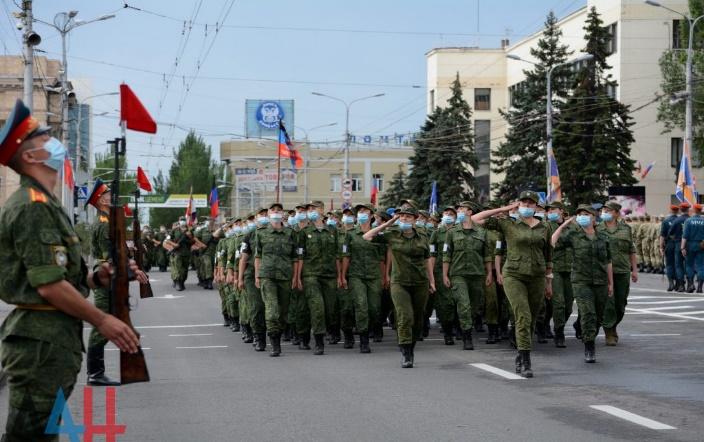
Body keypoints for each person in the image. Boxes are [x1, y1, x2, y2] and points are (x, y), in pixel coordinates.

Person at [0, 99, 143, 441]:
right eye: (45, 139)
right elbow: (48, 286)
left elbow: (59, 276)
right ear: (31, 157)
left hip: (51, 338)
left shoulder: (47, 205)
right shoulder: (31, 207)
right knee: (28, 436)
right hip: (39, 340)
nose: (55, 142)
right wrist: (103, 319)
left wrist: (96, 278)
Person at [472, 191, 552, 378]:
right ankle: (525, 360)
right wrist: (504, 209)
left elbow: (548, 255)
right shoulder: (507, 223)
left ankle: (521, 353)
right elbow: (475, 219)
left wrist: (549, 281)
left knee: (532, 317)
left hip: (537, 276)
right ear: (518, 205)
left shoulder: (544, 227)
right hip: (514, 275)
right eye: (523, 202)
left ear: (536, 207)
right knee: (522, 315)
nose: (526, 206)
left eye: (530, 203)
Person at [363, 207, 435, 368]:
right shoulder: (392, 234)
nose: (404, 219)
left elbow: (427, 259)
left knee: (418, 319)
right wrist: (390, 222)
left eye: (408, 217)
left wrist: (432, 281)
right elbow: (367, 236)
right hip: (399, 282)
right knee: (404, 316)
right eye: (401, 216)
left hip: (420, 282)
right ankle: (406, 352)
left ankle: (411, 346)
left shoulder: (423, 236)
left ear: (415, 219)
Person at [552, 204, 613, 363]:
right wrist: (564, 224)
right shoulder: (573, 235)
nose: (582, 217)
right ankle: (589, 345)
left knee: (599, 316)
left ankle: (589, 335)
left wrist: (610, 283)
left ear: (594, 217)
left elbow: (608, 262)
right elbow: (553, 242)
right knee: (588, 313)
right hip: (581, 280)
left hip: (600, 281)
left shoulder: (603, 237)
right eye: (579, 214)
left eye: (586, 214)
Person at [84, 179, 122, 386]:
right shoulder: (104, 224)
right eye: (107, 194)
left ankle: (95, 372)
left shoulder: (106, 221)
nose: (111, 196)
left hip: (105, 273)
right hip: (106, 276)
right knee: (102, 322)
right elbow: (109, 257)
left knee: (108, 319)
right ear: (100, 200)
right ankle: (95, 373)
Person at [442, 201, 493, 350]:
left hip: (477, 274)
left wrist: (489, 273)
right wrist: (445, 274)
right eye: (458, 209)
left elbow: (487, 255)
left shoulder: (482, 232)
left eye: (462, 209)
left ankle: (464, 325)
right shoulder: (451, 232)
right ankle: (467, 336)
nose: (459, 211)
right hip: (458, 274)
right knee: (463, 305)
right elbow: (446, 255)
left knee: (474, 307)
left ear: (470, 212)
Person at [296, 201, 340, 355]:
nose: (311, 211)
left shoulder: (332, 230)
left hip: (329, 275)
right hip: (310, 274)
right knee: (317, 307)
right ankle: (318, 341)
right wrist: (298, 277)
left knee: (330, 309)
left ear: (322, 210)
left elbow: (337, 255)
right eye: (310, 209)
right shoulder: (304, 231)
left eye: (314, 209)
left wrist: (340, 276)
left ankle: (324, 332)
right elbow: (300, 256)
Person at [254, 203, 298, 357]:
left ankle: (278, 334)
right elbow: (258, 256)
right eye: (273, 210)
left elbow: (295, 258)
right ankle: (274, 343)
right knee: (272, 310)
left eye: (279, 210)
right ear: (268, 213)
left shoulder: (290, 233)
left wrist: (296, 277)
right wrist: (257, 275)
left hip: (285, 276)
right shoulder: (261, 233)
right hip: (267, 276)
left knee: (283, 312)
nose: (276, 212)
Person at [341, 203, 385, 353]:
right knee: (361, 305)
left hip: (374, 276)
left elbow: (382, 259)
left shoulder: (378, 235)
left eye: (365, 211)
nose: (361, 214)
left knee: (374, 309)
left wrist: (385, 276)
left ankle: (368, 330)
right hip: (356, 275)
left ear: (372, 215)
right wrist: (342, 276)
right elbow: (346, 256)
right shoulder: (351, 234)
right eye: (359, 211)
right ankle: (364, 341)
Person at [598, 201, 637, 346]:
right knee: (609, 303)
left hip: (622, 270)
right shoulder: (598, 228)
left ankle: (613, 326)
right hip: (603, 271)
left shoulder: (626, 229)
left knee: (621, 304)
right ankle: (609, 332)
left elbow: (631, 250)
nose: (604, 213)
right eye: (603, 210)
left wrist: (634, 270)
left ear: (615, 213)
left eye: (607, 210)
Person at [238, 210, 268, 351]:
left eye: (265, 214)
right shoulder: (249, 235)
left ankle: (274, 334)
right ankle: (258, 336)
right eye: (260, 215)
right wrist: (240, 278)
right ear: (256, 219)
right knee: (256, 306)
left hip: (271, 274)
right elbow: (243, 259)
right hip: (251, 274)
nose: (264, 217)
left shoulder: (276, 233)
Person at [545, 201, 574, 348]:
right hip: (553, 269)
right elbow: (551, 243)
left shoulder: (573, 226)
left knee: (568, 306)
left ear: (561, 211)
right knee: (559, 303)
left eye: (553, 210)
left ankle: (555, 325)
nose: (550, 212)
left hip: (570, 269)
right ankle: (559, 332)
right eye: (548, 210)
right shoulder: (546, 226)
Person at [429, 205, 459, 345]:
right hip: (440, 270)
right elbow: (432, 254)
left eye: (451, 213)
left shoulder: (459, 231)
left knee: (457, 301)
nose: (448, 215)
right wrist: (431, 275)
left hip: (457, 270)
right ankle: (448, 332)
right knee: (444, 303)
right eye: (446, 212)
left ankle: (458, 327)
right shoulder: (437, 233)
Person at [682, 204, 704, 293]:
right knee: (701, 266)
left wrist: (682, 247)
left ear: (694, 210)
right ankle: (700, 287)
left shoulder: (688, 221)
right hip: (701, 245)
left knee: (689, 265)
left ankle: (690, 285)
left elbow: (685, 236)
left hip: (690, 245)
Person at [669, 203, 690, 291]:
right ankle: (690, 284)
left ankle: (681, 285)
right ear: (688, 209)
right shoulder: (690, 219)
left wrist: (676, 238)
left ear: (680, 210)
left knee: (679, 266)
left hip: (678, 244)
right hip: (690, 244)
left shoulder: (677, 220)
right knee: (689, 265)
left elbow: (670, 233)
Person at [170, 217, 193, 291]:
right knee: (178, 268)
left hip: (186, 253)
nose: (182, 222)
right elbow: (168, 240)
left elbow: (193, 241)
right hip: (177, 252)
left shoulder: (189, 231)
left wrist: (189, 236)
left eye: (184, 220)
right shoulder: (175, 230)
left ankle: (182, 282)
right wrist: (174, 244)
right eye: (181, 220)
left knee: (185, 269)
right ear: (179, 221)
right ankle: (178, 283)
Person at [660, 205, 680, 291]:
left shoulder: (666, 221)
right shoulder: (680, 220)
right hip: (679, 243)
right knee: (679, 265)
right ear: (678, 211)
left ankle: (671, 283)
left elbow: (662, 235)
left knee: (669, 264)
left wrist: (661, 247)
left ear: (670, 210)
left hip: (669, 244)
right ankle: (678, 283)